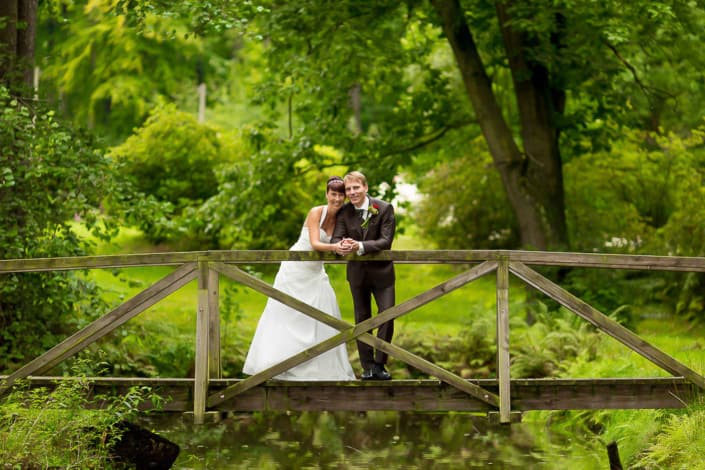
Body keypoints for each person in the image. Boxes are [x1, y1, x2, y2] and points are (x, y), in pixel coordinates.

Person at [243, 176, 356, 380]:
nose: (337, 199)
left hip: (316, 272)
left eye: (341, 195)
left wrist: (346, 246)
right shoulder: (316, 212)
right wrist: (334, 247)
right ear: (326, 194)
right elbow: (314, 243)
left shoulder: (344, 218)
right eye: (333, 194)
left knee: (321, 315)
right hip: (295, 269)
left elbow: (342, 242)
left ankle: (316, 369)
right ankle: (277, 365)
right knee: (288, 314)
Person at [332, 171, 396, 380]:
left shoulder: (383, 208)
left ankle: (380, 365)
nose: (352, 192)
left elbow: (385, 241)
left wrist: (359, 245)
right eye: (349, 189)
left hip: (383, 274)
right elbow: (336, 238)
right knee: (362, 319)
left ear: (366, 188)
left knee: (387, 315)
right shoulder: (344, 212)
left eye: (356, 188)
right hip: (357, 274)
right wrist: (342, 245)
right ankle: (367, 367)